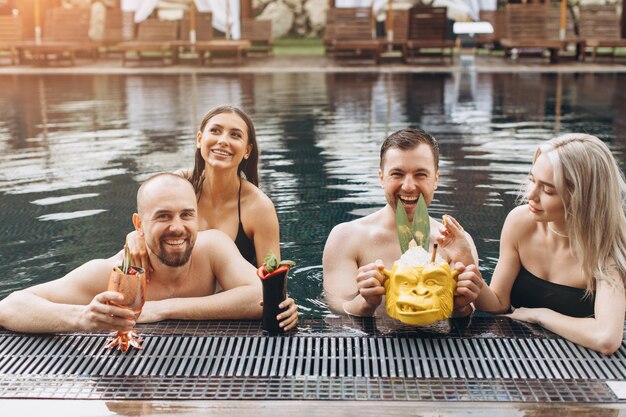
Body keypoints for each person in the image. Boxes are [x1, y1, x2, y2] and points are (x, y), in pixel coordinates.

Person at [0, 173, 299, 333]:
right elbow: (11, 306)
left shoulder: (213, 247)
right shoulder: (114, 271)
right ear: (139, 225)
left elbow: (260, 297)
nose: (177, 227)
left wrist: (163, 309)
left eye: (186, 215)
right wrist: (84, 318)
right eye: (163, 216)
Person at [125, 105, 298, 331]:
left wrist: (286, 305)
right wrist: (133, 238)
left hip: (227, 312)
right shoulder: (180, 185)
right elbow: (146, 224)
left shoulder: (257, 207)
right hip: (176, 301)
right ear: (199, 139)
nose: (223, 140)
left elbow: (272, 277)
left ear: (247, 150)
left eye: (235, 135)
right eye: (215, 131)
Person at [473, 134, 626, 355]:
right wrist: (469, 272)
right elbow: (498, 304)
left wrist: (539, 315)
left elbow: (606, 339)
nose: (530, 195)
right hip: (518, 356)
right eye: (532, 180)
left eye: (548, 190)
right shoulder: (520, 223)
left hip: (582, 366)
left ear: (582, 197)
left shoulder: (607, 248)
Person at [323, 128, 482, 318]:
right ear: (381, 177)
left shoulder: (455, 242)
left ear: (436, 179)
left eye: (420, 174)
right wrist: (364, 303)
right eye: (397, 174)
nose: (408, 186)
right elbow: (336, 308)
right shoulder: (346, 237)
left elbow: (470, 312)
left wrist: (460, 306)